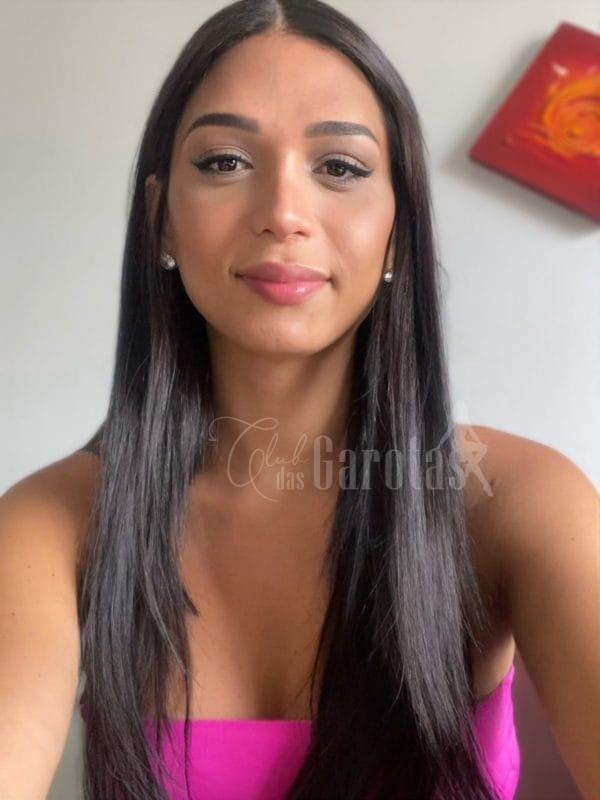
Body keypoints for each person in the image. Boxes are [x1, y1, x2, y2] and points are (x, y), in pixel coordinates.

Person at [1, 1, 598, 799]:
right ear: (161, 221)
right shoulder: (56, 523)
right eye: (224, 161)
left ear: (399, 228)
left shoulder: (516, 500)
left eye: (340, 168)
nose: (283, 213)